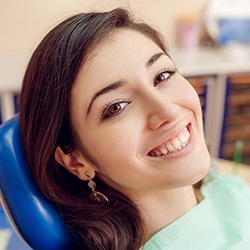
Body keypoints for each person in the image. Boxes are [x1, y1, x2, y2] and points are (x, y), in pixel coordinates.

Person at [19, 8, 250, 250]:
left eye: (162, 76)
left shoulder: (221, 186)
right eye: (117, 107)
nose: (169, 111)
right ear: (76, 161)